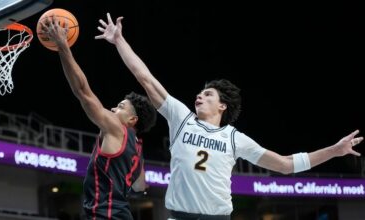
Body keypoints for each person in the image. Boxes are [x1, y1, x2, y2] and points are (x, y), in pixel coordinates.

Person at [95, 13, 364, 219]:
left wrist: (335, 150)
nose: (199, 96)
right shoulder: (181, 119)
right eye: (199, 94)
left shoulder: (234, 138)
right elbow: (146, 79)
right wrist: (119, 40)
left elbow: (284, 164)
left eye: (208, 94)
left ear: (222, 106)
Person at [40, 16, 157, 220]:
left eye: (120, 107)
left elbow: (83, 91)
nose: (113, 108)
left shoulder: (116, 128)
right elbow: (140, 186)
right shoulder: (138, 149)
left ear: (132, 120)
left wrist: (62, 46)